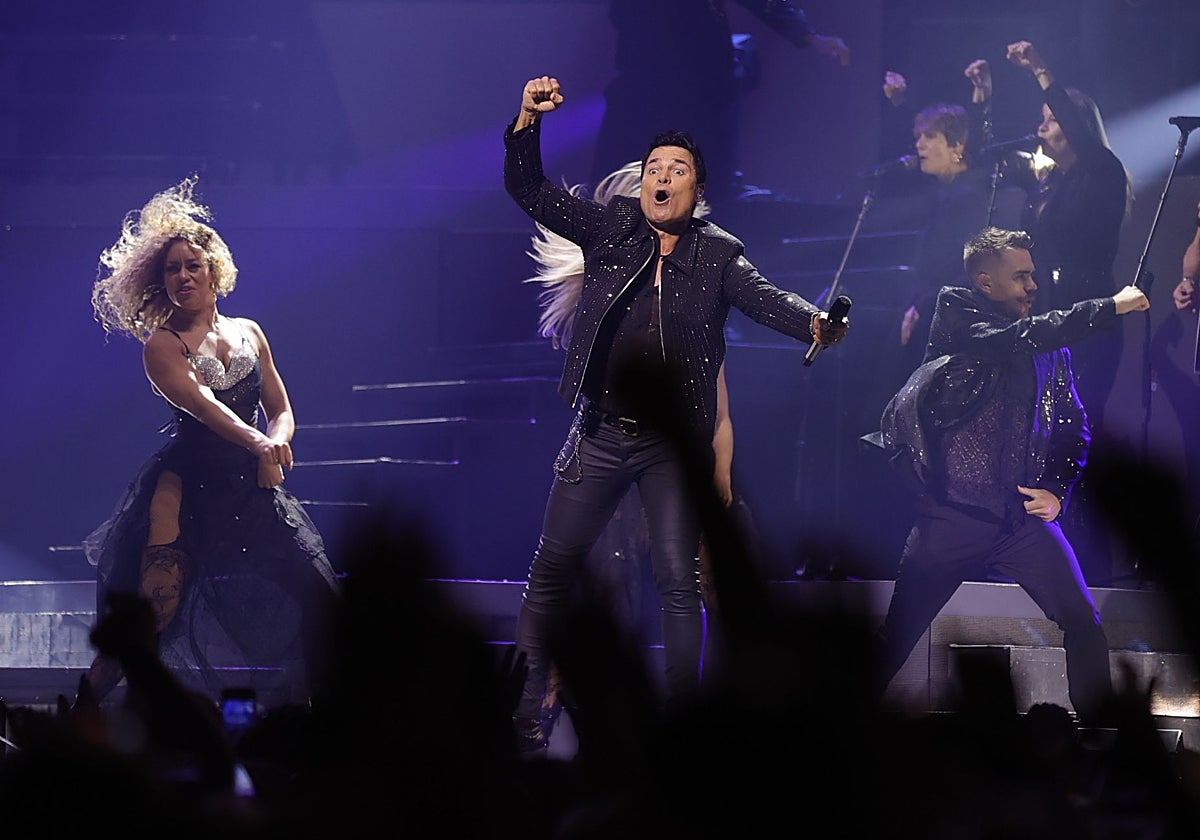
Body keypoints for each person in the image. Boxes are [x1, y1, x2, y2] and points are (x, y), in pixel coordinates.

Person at [505, 75, 848, 750]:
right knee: (550, 569)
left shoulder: (719, 254)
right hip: (599, 432)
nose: (662, 177)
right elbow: (530, 192)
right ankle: (523, 708)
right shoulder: (613, 230)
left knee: (678, 580)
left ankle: (681, 723)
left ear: (696, 191)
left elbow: (768, 299)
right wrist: (527, 122)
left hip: (671, 446)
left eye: (677, 170)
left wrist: (815, 324)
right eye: (654, 168)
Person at [84, 176, 340, 706]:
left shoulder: (251, 330)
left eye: (191, 266)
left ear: (213, 270)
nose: (182, 276)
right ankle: (82, 710)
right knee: (153, 612)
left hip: (250, 486)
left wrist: (277, 445)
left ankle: (330, 721)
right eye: (171, 269)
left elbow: (282, 408)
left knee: (318, 597)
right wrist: (261, 445)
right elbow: (204, 404)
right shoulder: (163, 345)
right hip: (186, 489)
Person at [876, 227, 1149, 723]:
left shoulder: (1049, 346)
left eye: (1033, 274)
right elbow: (1017, 339)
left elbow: (1073, 427)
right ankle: (832, 734)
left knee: (1082, 621)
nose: (1033, 285)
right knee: (896, 636)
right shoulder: (958, 314)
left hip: (1021, 522)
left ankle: (1099, 736)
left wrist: (1058, 492)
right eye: (1020, 276)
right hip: (951, 520)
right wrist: (1111, 307)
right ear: (985, 282)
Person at [1006, 39, 1135, 582]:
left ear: (1075, 124)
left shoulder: (1102, 170)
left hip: (1092, 321)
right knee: (1048, 428)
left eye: (1051, 118)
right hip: (1055, 321)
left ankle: (1095, 555)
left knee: (1084, 427)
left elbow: (1081, 136)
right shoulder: (1056, 184)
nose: (1042, 127)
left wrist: (1040, 71)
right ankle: (1051, 548)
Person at [592, 0, 849, 213]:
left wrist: (808, 34)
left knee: (707, 181)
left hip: (703, 81)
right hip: (647, 79)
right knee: (622, 175)